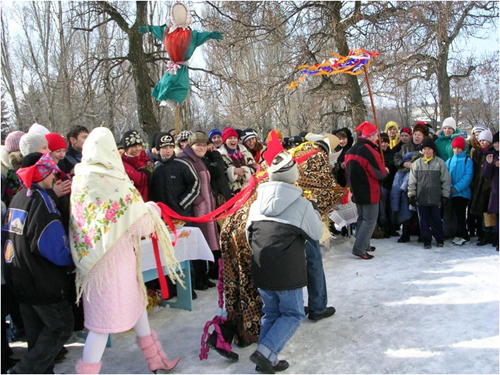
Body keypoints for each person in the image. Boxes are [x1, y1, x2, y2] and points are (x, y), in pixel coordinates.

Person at [69, 127, 182, 374]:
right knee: (101, 327)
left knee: (138, 305)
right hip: (114, 264)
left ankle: (156, 359)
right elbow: (139, 223)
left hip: (94, 262)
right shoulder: (112, 179)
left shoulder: (81, 178)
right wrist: (152, 209)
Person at [246, 150, 323, 374]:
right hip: (288, 271)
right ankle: (266, 350)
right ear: (292, 175)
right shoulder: (302, 205)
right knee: (293, 313)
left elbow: (248, 235)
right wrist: (315, 212)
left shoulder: (256, 203)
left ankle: (268, 359)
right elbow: (316, 233)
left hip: (261, 267)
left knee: (271, 313)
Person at [2, 152, 74, 374]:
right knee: (61, 326)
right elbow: (52, 247)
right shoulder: (42, 201)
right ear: (41, 172)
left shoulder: (19, 197)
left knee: (36, 332)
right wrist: (73, 258)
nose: (54, 175)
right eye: (50, 170)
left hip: (19, 277)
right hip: (41, 280)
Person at [179, 131, 220, 290]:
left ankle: (204, 275)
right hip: (196, 210)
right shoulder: (185, 160)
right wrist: (199, 202)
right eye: (198, 145)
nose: (202, 148)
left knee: (206, 241)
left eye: (204, 145)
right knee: (197, 241)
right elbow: (186, 185)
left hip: (207, 208)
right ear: (190, 145)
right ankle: (198, 277)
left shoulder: (199, 160)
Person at [345, 122, 388, 259]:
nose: (377, 137)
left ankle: (365, 243)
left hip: (356, 190)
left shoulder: (350, 151)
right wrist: (385, 171)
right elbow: (379, 173)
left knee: (362, 219)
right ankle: (360, 248)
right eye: (375, 134)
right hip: (369, 190)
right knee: (369, 220)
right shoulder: (370, 151)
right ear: (369, 136)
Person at [408, 138, 451, 249]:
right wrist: (411, 195)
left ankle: (439, 238)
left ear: (433, 150)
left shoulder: (440, 163)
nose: (427, 151)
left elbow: (446, 180)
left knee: (436, 219)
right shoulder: (417, 164)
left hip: (435, 197)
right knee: (423, 220)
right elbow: (412, 181)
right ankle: (426, 239)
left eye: (429, 149)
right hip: (421, 197)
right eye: (425, 149)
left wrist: (445, 195)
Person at [391, 124, 428, 243]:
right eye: (415, 134)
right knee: (404, 203)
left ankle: (422, 232)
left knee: (419, 206)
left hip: (420, 180)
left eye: (419, 135)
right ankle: (405, 232)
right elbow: (396, 158)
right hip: (404, 179)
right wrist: (404, 164)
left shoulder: (427, 148)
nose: (417, 137)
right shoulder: (405, 147)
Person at [445, 136, 474, 246]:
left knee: (461, 214)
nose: (456, 150)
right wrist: (450, 186)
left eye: (459, 148)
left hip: (463, 193)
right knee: (455, 215)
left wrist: (457, 188)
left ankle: (464, 235)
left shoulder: (467, 160)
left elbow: (468, 176)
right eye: (455, 148)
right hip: (452, 193)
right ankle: (458, 233)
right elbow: (446, 174)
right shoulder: (450, 160)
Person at [470, 129, 494, 246]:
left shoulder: (492, 152)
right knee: (480, 210)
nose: (483, 142)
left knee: (488, 210)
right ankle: (482, 233)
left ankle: (489, 233)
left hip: (489, 186)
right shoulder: (478, 153)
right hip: (478, 184)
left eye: (485, 140)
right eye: (481, 140)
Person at [218, 127, 256, 194]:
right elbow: (219, 174)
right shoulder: (220, 154)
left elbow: (255, 167)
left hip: (247, 188)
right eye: (230, 138)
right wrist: (233, 172)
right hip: (231, 191)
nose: (233, 140)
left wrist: (244, 171)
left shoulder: (244, 151)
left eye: (235, 138)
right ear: (225, 140)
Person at [121, 129, 154, 202]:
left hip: (147, 201)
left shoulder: (147, 161)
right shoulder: (120, 164)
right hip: (128, 202)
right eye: (134, 146)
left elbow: (140, 179)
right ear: (126, 149)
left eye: (139, 146)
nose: (138, 149)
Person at [379, 132, 399, 238]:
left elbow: (394, 165)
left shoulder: (392, 153)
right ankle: (383, 226)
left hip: (391, 184)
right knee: (382, 208)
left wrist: (388, 166)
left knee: (391, 207)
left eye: (386, 142)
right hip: (382, 184)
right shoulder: (376, 154)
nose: (384, 144)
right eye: (382, 142)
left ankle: (392, 226)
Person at [481, 131, 499, 251]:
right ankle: (497, 239)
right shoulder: (492, 155)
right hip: (496, 190)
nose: (497, 145)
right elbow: (485, 175)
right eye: (496, 142)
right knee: (497, 217)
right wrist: (489, 164)